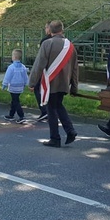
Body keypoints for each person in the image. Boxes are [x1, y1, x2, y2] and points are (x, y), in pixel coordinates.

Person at [28, 20, 79, 148]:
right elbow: (75, 69)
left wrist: (32, 82)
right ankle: (70, 130)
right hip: (64, 84)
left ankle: (55, 138)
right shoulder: (70, 46)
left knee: (51, 109)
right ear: (62, 30)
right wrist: (74, 87)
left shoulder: (47, 44)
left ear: (50, 30)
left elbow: (39, 65)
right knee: (58, 105)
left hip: (50, 83)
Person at [2, 49, 28, 124]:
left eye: (12, 55)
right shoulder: (23, 67)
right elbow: (25, 76)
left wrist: (4, 84)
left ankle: (21, 116)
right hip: (20, 86)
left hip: (13, 86)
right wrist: (26, 83)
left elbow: (7, 77)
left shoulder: (11, 67)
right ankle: (11, 114)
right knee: (14, 100)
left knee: (16, 101)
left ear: (14, 57)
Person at [34, 21, 52, 122]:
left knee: (38, 88)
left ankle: (44, 110)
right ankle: (50, 111)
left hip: (45, 70)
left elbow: (41, 58)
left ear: (50, 28)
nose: (45, 29)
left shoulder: (45, 41)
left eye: (46, 27)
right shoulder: (64, 41)